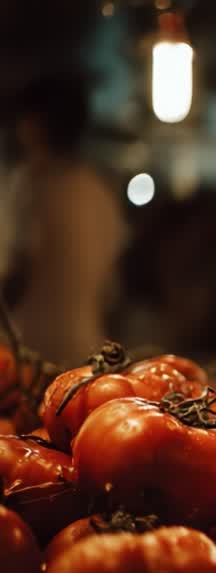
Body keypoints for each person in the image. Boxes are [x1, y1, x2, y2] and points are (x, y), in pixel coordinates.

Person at [0, 73, 123, 365]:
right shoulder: (99, 189)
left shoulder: (31, 183)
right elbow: (110, 284)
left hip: (28, 351)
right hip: (89, 348)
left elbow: (19, 268)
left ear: (36, 123)